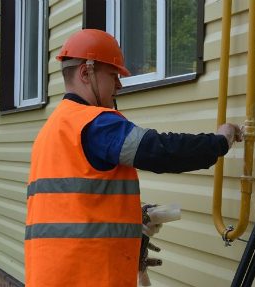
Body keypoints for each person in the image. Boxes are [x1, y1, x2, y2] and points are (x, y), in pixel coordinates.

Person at [25, 29, 242, 287]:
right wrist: (220, 140)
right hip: (89, 276)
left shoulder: (53, 128)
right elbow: (162, 151)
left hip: (52, 275)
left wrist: (128, 216)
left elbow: (72, 205)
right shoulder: (95, 124)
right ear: (86, 73)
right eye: (113, 75)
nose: (119, 85)